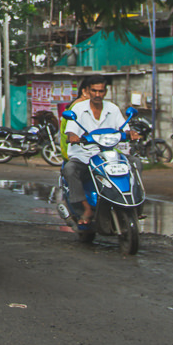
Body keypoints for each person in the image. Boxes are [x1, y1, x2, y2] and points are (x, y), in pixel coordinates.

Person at [60, 75, 125, 230]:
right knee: (70, 169)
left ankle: (131, 204)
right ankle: (85, 208)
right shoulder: (78, 109)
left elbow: (124, 128)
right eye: (94, 91)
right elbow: (70, 131)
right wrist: (73, 136)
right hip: (83, 155)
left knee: (134, 164)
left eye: (101, 91)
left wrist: (132, 133)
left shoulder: (113, 109)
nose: (97, 95)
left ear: (106, 91)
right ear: (87, 91)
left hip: (106, 155)